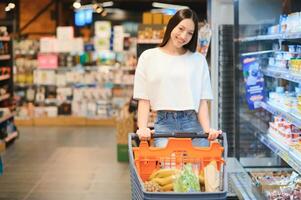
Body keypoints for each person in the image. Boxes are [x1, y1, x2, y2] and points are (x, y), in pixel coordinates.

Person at [133, 8, 222, 147]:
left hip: (193, 124)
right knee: (168, 168)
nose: (183, 36)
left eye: (190, 33)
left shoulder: (198, 60)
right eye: (181, 28)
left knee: (197, 168)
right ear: (171, 25)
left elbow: (202, 101)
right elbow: (143, 99)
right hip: (164, 124)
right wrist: (142, 128)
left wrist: (207, 130)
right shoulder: (148, 57)